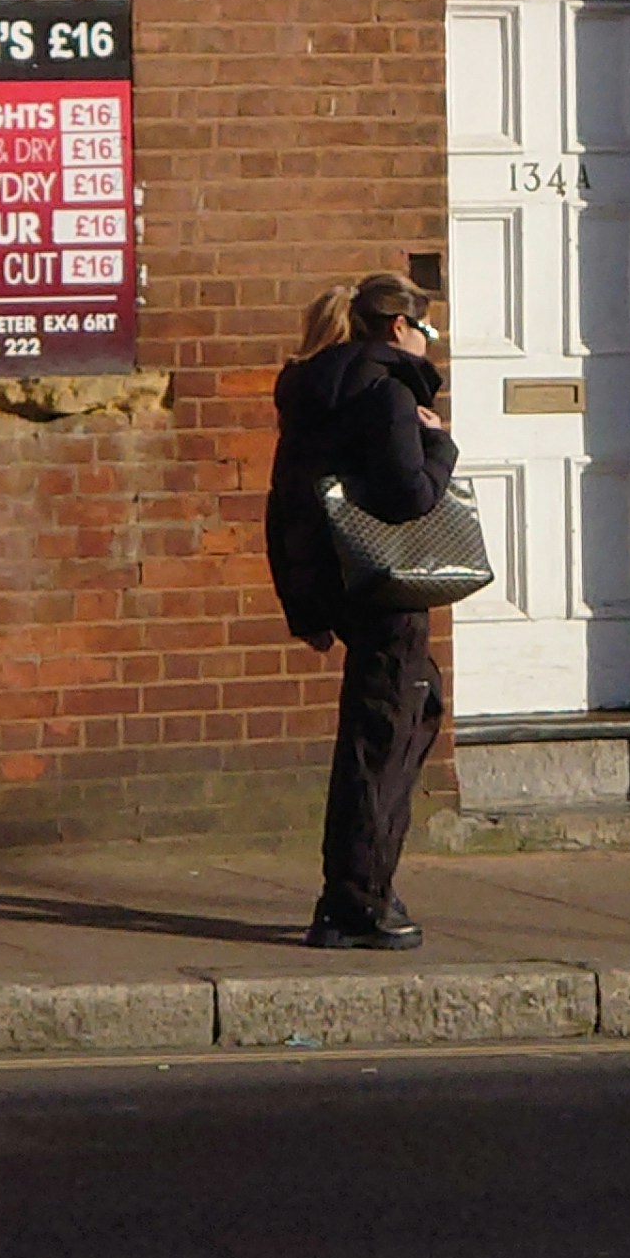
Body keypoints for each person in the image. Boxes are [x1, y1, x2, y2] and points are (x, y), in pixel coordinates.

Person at [268, 271, 454, 949]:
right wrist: (440, 444)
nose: (429, 347)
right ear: (400, 329)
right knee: (385, 736)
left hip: (338, 586)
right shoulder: (387, 393)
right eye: (426, 332)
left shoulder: (311, 393)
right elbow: (409, 496)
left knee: (400, 712)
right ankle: (358, 903)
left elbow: (283, 504)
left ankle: (352, 894)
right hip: (389, 589)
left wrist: (302, 603)